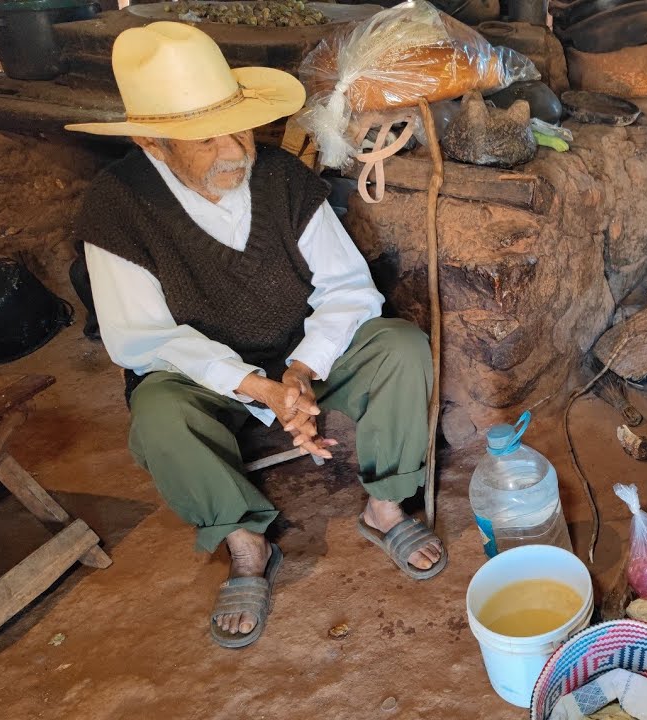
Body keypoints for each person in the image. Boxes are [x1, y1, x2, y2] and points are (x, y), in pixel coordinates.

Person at [65, 22, 445, 649]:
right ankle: (245, 545)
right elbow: (141, 338)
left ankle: (385, 508)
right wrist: (255, 387)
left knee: (400, 347)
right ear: (152, 142)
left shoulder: (277, 177)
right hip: (201, 376)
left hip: (296, 350)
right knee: (157, 417)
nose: (234, 150)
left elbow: (348, 288)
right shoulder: (117, 207)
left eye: (239, 127)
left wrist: (299, 372)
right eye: (205, 137)